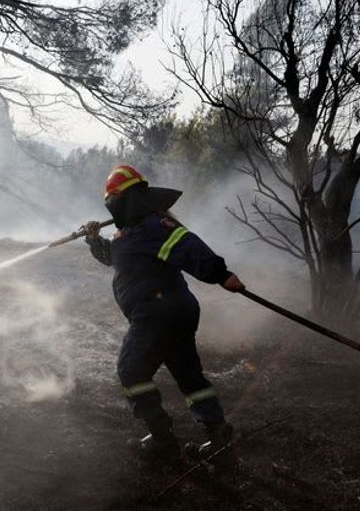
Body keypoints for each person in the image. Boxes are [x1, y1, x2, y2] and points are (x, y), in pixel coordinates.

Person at [84, 164, 246, 461]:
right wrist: (95, 241)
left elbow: (188, 245)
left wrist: (221, 274)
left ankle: (162, 439)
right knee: (189, 377)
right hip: (174, 314)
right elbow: (116, 259)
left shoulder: (154, 225)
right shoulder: (131, 232)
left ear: (123, 199)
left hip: (157, 315)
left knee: (131, 370)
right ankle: (218, 437)